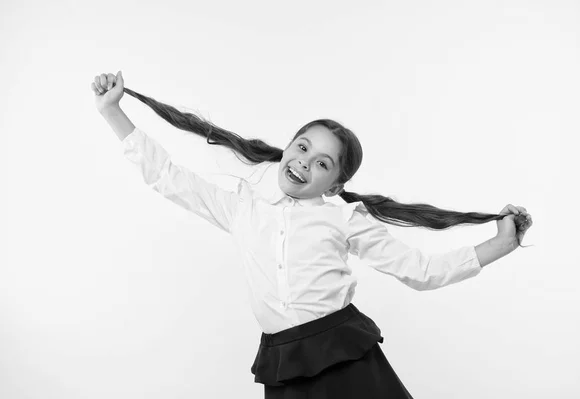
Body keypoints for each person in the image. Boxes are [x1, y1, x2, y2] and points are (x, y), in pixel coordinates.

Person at [91, 71, 533, 398]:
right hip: (285, 363)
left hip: (345, 357)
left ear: (335, 185)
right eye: (302, 147)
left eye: (322, 163)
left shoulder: (344, 218)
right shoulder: (243, 207)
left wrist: (499, 243)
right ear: (288, 147)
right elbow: (168, 177)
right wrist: (113, 111)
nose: (304, 162)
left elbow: (422, 271)